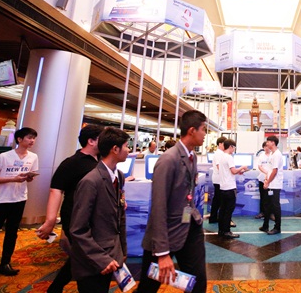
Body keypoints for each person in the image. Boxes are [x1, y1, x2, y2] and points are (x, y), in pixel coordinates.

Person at [136, 110, 207, 293]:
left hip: (189, 226)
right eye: (203, 129)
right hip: (166, 233)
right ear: (192, 130)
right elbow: (158, 207)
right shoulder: (168, 160)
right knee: (148, 288)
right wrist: (162, 252)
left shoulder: (192, 156)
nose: (205, 134)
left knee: (198, 283)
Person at [35, 124, 104, 293]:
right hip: (74, 215)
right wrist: (50, 220)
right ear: (91, 141)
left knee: (80, 254)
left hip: (92, 215)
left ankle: (56, 287)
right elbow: (56, 190)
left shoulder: (99, 160)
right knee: (83, 254)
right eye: (102, 138)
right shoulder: (72, 163)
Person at [69, 127, 129, 292]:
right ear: (115, 149)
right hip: (92, 260)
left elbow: (119, 215)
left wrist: (122, 250)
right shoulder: (90, 182)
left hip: (111, 253)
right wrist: (101, 259)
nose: (129, 150)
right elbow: (78, 229)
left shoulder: (119, 176)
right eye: (126, 146)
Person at [0, 127, 39, 276]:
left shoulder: (33, 157)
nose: (32, 141)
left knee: (12, 231)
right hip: (2, 199)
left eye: (34, 138)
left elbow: (28, 178)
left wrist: (28, 178)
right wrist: (13, 179)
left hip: (20, 198)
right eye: (29, 137)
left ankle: (5, 263)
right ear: (19, 139)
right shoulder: (4, 157)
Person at [217, 139, 248, 238]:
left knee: (222, 210)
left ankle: (221, 230)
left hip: (223, 187)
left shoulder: (222, 157)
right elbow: (233, 171)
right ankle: (227, 231)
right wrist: (242, 167)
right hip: (230, 188)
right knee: (228, 211)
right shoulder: (229, 157)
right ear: (230, 146)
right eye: (234, 147)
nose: (234, 149)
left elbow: (229, 172)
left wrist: (239, 171)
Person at [259, 136, 283, 235]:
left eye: (268, 142)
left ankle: (277, 227)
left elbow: (275, 171)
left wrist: (268, 181)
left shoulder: (277, 154)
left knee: (275, 206)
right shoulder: (272, 154)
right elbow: (269, 170)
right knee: (267, 205)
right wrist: (266, 180)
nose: (267, 144)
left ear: (273, 142)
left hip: (275, 184)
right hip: (270, 184)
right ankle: (265, 225)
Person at [208, 136, 226, 224]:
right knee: (218, 199)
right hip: (219, 179)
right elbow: (220, 167)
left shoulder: (221, 153)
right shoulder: (219, 154)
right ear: (220, 144)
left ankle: (214, 217)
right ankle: (213, 217)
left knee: (217, 199)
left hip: (219, 179)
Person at [254, 141, 271, 219]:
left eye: (268, 146)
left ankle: (271, 213)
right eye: (265, 146)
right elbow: (259, 166)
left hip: (271, 180)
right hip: (262, 179)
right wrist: (266, 172)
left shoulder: (273, 155)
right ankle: (262, 212)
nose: (266, 148)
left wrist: (269, 174)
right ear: (263, 147)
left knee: (271, 197)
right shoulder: (261, 156)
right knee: (263, 197)